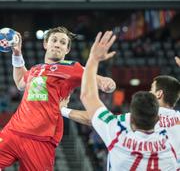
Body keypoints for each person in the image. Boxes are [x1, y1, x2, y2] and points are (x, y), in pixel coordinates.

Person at [0, 26, 116, 170]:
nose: (57, 44)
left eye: (62, 42)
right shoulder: (36, 69)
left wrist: (106, 83)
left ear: (67, 50)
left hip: (41, 139)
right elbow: (20, 83)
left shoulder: (72, 67)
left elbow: (99, 80)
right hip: (13, 131)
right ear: (45, 44)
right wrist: (17, 53)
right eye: (54, 40)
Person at [79, 30, 178, 170]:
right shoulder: (172, 146)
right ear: (157, 120)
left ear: (130, 120)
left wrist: (93, 58)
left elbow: (87, 96)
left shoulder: (116, 135)